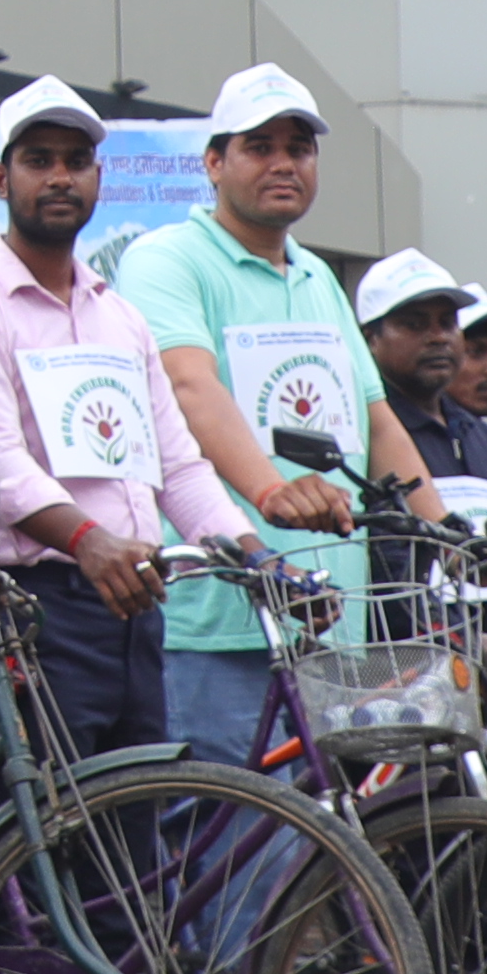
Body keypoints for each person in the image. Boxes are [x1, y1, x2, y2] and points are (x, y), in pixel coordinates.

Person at [0, 75, 223, 768]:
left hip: (135, 609)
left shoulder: (119, 315)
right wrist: (87, 540)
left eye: (76, 161)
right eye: (39, 160)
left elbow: (176, 464)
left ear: (99, 177)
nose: (60, 177)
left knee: (134, 844)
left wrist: (247, 548)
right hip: (36, 610)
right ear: (0, 178)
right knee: (58, 843)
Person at [119, 64, 391, 763]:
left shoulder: (318, 275)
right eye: (259, 146)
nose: (283, 163)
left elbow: (375, 419)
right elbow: (188, 388)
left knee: (320, 852)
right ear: (213, 162)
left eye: (298, 148)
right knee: (236, 855)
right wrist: (270, 493)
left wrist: (448, 524)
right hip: (220, 618)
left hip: (328, 618)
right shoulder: (168, 259)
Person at [364, 253, 487, 487]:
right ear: (370, 339)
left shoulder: (476, 432)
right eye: (415, 325)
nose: (439, 337)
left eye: (448, 323)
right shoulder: (367, 433)